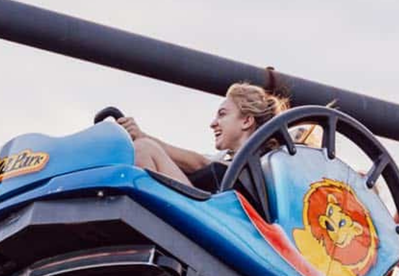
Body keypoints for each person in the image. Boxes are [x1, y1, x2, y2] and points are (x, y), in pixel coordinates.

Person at [116, 82, 288, 193]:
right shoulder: (222, 160)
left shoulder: (265, 166)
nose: (213, 123)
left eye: (222, 114)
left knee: (144, 148)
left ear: (246, 121)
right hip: (203, 211)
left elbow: (199, 163)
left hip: (218, 224)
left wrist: (143, 136)